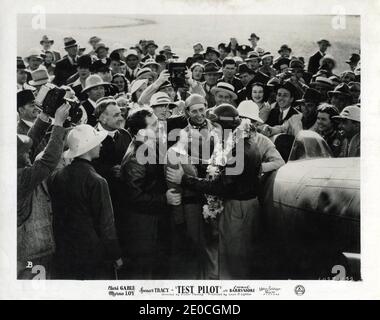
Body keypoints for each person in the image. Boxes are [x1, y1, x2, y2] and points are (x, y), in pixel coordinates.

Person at [167, 103, 262, 279]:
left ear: (226, 126)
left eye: (216, 127)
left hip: (238, 208)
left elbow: (220, 186)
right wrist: (194, 160)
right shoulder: (238, 142)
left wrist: (184, 179)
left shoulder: (239, 150)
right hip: (240, 204)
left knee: (234, 261)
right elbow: (219, 166)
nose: (212, 132)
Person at [48, 124, 123, 279]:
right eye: (97, 141)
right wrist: (115, 255)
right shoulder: (97, 181)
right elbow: (106, 224)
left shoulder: (57, 176)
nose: (101, 144)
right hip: (92, 253)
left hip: (64, 249)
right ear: (88, 147)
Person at [119, 108, 181, 279]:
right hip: (144, 228)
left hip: (154, 222)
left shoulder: (149, 147)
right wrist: (164, 198)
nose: (159, 126)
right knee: (145, 274)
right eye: (154, 124)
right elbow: (134, 196)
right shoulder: (136, 157)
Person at [17, 103, 70, 279]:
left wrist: (44, 116)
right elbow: (49, 160)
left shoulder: (13, 166)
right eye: (24, 152)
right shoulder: (21, 176)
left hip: (25, 248)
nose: (29, 153)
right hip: (31, 250)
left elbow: (28, 143)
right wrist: (58, 125)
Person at [165, 94, 215, 279]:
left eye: (202, 109)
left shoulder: (216, 131)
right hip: (191, 198)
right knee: (196, 244)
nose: (199, 114)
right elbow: (175, 170)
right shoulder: (182, 137)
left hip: (213, 194)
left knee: (211, 243)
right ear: (187, 112)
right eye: (194, 111)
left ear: (207, 108)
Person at [237, 100, 285, 173]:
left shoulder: (263, 141)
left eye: (250, 120)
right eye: (241, 118)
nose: (245, 122)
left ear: (256, 123)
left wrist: (258, 167)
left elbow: (279, 162)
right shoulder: (226, 136)